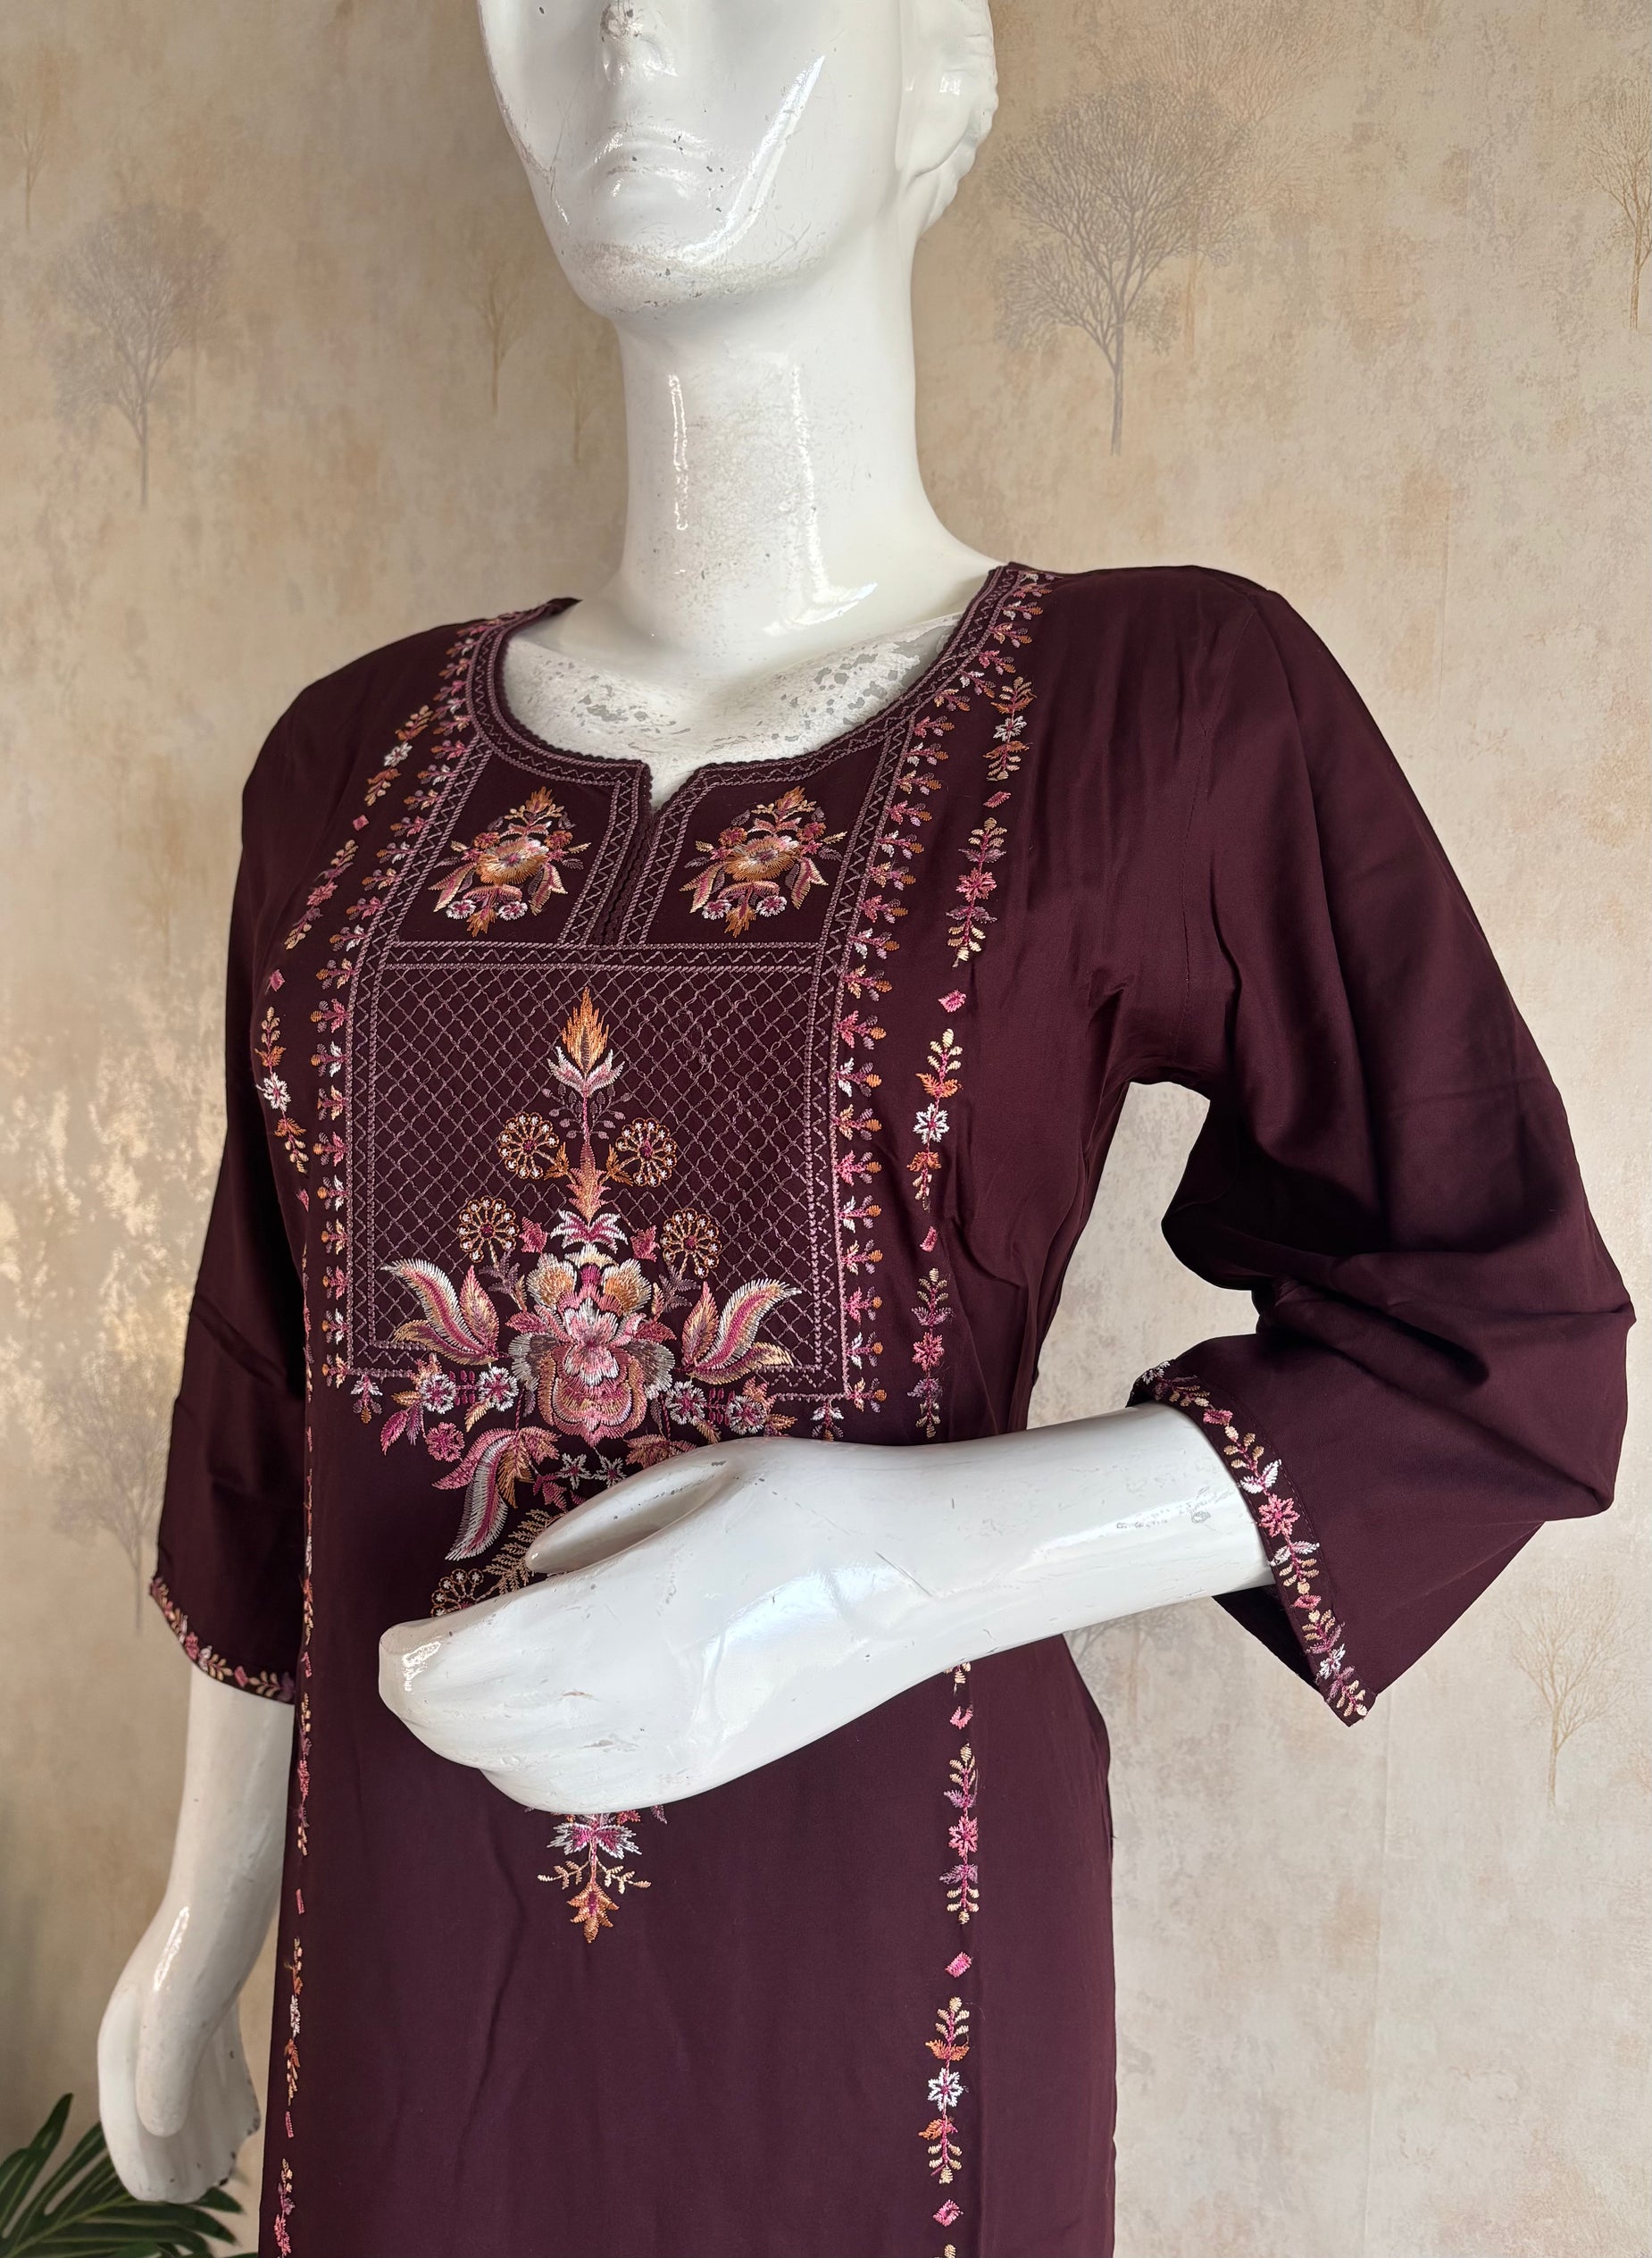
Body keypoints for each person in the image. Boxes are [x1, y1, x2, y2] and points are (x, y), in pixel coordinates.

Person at [99, 5, 1631, 2254]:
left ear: (944, 72)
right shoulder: (345, 766)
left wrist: (892, 1567)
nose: (631, 36)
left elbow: (1495, 1340)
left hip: (895, 1955)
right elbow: (267, 1382)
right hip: (413, 1967)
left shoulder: (1163, 705)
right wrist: (203, 1908)